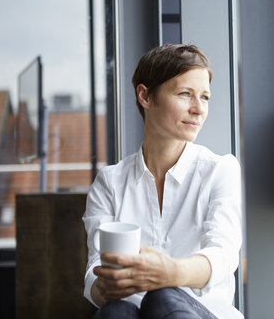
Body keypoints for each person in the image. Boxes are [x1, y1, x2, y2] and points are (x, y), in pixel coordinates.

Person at [82, 44, 243, 319]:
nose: (198, 109)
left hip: (202, 313)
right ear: (145, 96)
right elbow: (95, 270)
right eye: (185, 94)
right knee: (115, 311)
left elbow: (224, 254)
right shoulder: (109, 183)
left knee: (163, 297)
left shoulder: (220, 170)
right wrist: (106, 286)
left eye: (204, 97)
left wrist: (168, 273)